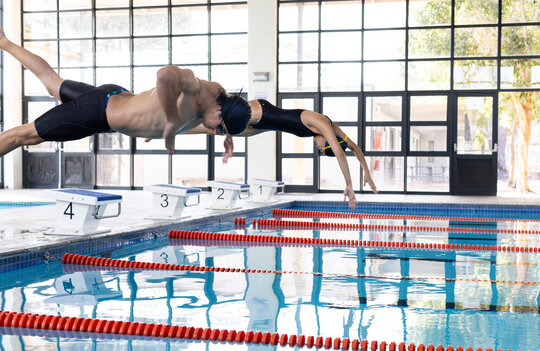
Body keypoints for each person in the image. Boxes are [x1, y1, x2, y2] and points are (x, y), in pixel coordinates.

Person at [0, 27, 251, 157]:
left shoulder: (215, 97)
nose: (214, 132)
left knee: (52, 82)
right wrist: (172, 118)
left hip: (113, 97)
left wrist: (228, 134)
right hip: (98, 112)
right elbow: (165, 75)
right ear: (219, 110)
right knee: (23, 136)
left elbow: (228, 116)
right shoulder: (193, 89)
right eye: (219, 128)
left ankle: (4, 43)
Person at [188, 99, 378, 208]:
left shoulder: (332, 130)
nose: (317, 147)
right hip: (261, 112)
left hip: (264, 125)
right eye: (321, 148)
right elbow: (340, 153)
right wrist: (349, 185)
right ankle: (190, 105)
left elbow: (355, 148)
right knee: (220, 117)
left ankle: (177, 129)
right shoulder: (322, 123)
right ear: (328, 142)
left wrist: (367, 172)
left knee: (215, 130)